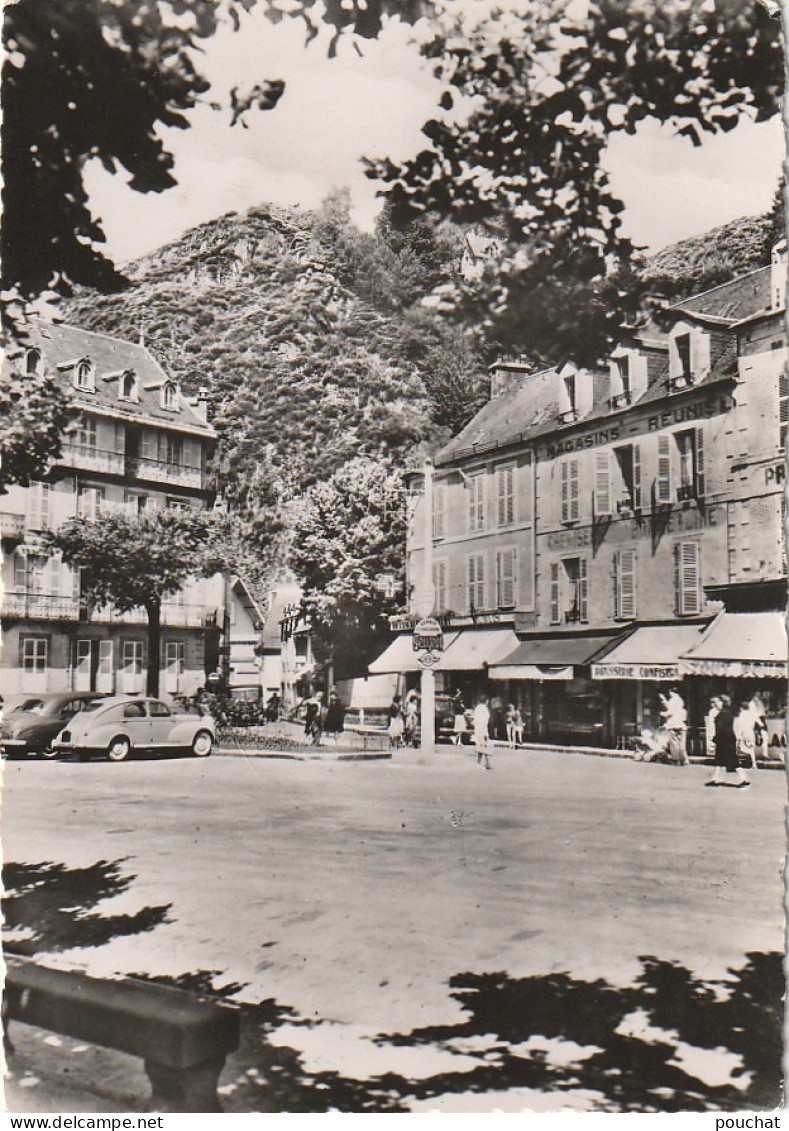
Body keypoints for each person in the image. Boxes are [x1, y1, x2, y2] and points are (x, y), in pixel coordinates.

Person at [706, 694, 750, 788]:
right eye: (712, 702)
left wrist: (715, 739)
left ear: (723, 702)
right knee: (719, 760)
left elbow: (722, 729)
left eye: (716, 702)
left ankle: (744, 779)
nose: (713, 705)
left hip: (726, 741)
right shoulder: (725, 712)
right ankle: (715, 779)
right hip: (725, 740)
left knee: (732, 761)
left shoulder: (724, 713)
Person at [660, 687, 689, 765]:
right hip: (682, 725)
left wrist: (663, 714)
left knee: (674, 743)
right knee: (682, 743)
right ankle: (684, 759)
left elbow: (670, 712)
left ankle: (676, 759)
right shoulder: (681, 701)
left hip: (673, 725)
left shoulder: (673, 700)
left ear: (671, 692)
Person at [734, 700, 759, 771]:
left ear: (741, 708)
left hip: (745, 731)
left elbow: (740, 725)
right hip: (751, 732)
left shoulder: (742, 715)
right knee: (751, 748)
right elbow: (760, 723)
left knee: (740, 747)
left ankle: (739, 762)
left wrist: (739, 734)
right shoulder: (752, 714)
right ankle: (754, 764)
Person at [474, 696, 491, 769]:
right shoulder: (485, 709)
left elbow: (475, 719)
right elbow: (485, 720)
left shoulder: (477, 708)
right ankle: (485, 763)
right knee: (484, 746)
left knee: (480, 747)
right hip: (483, 729)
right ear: (486, 701)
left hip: (477, 729)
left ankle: (485, 763)